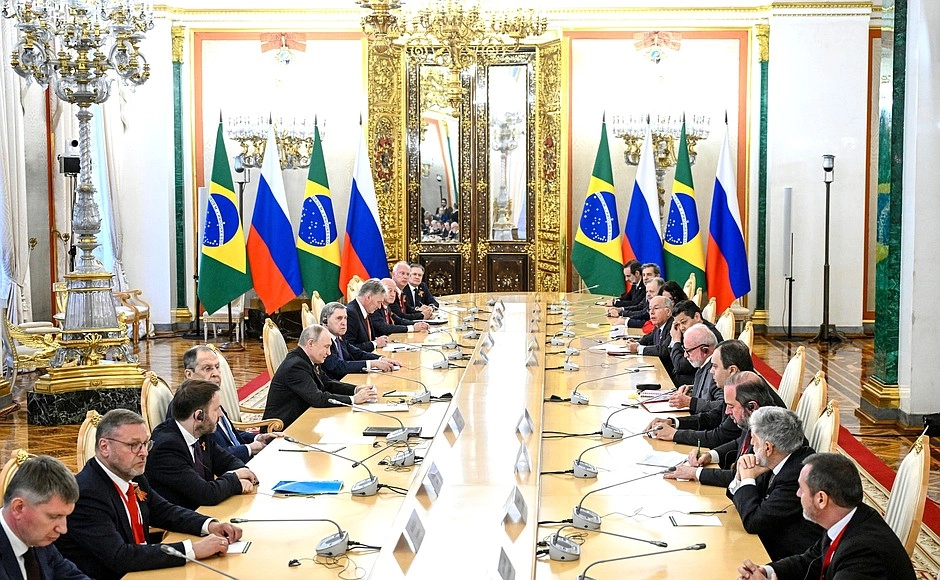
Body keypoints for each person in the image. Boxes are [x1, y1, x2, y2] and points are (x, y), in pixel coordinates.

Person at [56, 409, 242, 580]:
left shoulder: (134, 475)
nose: (144, 453)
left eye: (145, 444)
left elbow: (164, 511)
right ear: (104, 447)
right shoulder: (86, 494)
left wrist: (210, 525)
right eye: (134, 445)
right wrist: (191, 550)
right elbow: (120, 557)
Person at [738, 453, 916, 580]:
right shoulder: (848, 517)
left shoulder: (864, 555)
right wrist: (767, 571)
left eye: (801, 489)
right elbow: (811, 560)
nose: (798, 494)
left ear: (821, 499)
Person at [146, 379, 258, 510]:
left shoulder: (200, 432)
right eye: (216, 409)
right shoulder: (166, 448)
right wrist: (236, 480)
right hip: (182, 517)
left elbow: (228, 461)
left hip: (205, 511)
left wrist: (243, 473)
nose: (221, 414)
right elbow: (206, 494)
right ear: (199, 416)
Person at [728, 407, 823, 560]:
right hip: (769, 542)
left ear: (768, 447)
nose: (751, 443)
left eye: (753, 438)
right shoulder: (777, 459)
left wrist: (747, 479)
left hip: (788, 557)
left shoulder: (797, 476)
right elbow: (740, 501)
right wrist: (740, 476)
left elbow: (753, 522)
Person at [665, 371, 785, 487]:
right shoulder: (755, 417)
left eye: (731, 406)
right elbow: (740, 442)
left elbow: (743, 476)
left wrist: (695, 473)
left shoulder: (771, 435)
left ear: (751, 406)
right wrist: (710, 455)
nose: (727, 411)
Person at [262, 324, 377, 429]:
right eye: (326, 347)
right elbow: (318, 399)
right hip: (282, 429)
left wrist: (355, 389)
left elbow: (327, 383)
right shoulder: (296, 366)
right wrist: (353, 399)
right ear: (311, 344)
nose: (329, 353)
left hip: (302, 420)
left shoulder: (306, 359)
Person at [648, 339, 755, 446]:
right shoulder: (738, 387)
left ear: (732, 370)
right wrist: (673, 422)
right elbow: (710, 418)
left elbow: (719, 436)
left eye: (715, 366)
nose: (711, 371)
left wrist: (674, 434)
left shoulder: (747, 394)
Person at [182, 346, 279, 462]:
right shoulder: (188, 408)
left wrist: (258, 438)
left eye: (217, 367)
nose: (215, 373)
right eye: (207, 369)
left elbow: (230, 435)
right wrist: (248, 449)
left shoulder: (210, 397)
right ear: (189, 374)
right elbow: (207, 456)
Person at [0, 455, 89, 579]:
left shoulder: (39, 540)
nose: (63, 529)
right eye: (54, 516)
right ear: (19, 508)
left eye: (65, 516)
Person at [319, 301, 396, 380]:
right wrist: (371, 364)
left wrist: (380, 359)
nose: (343, 323)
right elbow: (338, 366)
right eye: (339, 318)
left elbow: (357, 353)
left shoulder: (338, 337)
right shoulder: (322, 341)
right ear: (325, 321)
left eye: (345, 318)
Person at [662, 323, 721, 417]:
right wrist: (693, 389)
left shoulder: (717, 371)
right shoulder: (704, 364)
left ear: (704, 350)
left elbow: (723, 406)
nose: (685, 355)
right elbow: (708, 392)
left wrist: (690, 402)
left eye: (688, 351)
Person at [623, 296, 675, 377]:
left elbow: (663, 350)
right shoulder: (659, 325)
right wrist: (636, 342)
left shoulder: (673, 327)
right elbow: (649, 337)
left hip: (669, 375)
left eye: (656, 308)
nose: (652, 312)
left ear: (668, 312)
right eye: (650, 309)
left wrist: (638, 348)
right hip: (658, 371)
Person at [344, 278, 390, 352]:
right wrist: (375, 343)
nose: (379, 307)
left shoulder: (365, 310)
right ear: (368, 297)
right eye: (378, 302)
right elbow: (349, 348)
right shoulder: (351, 313)